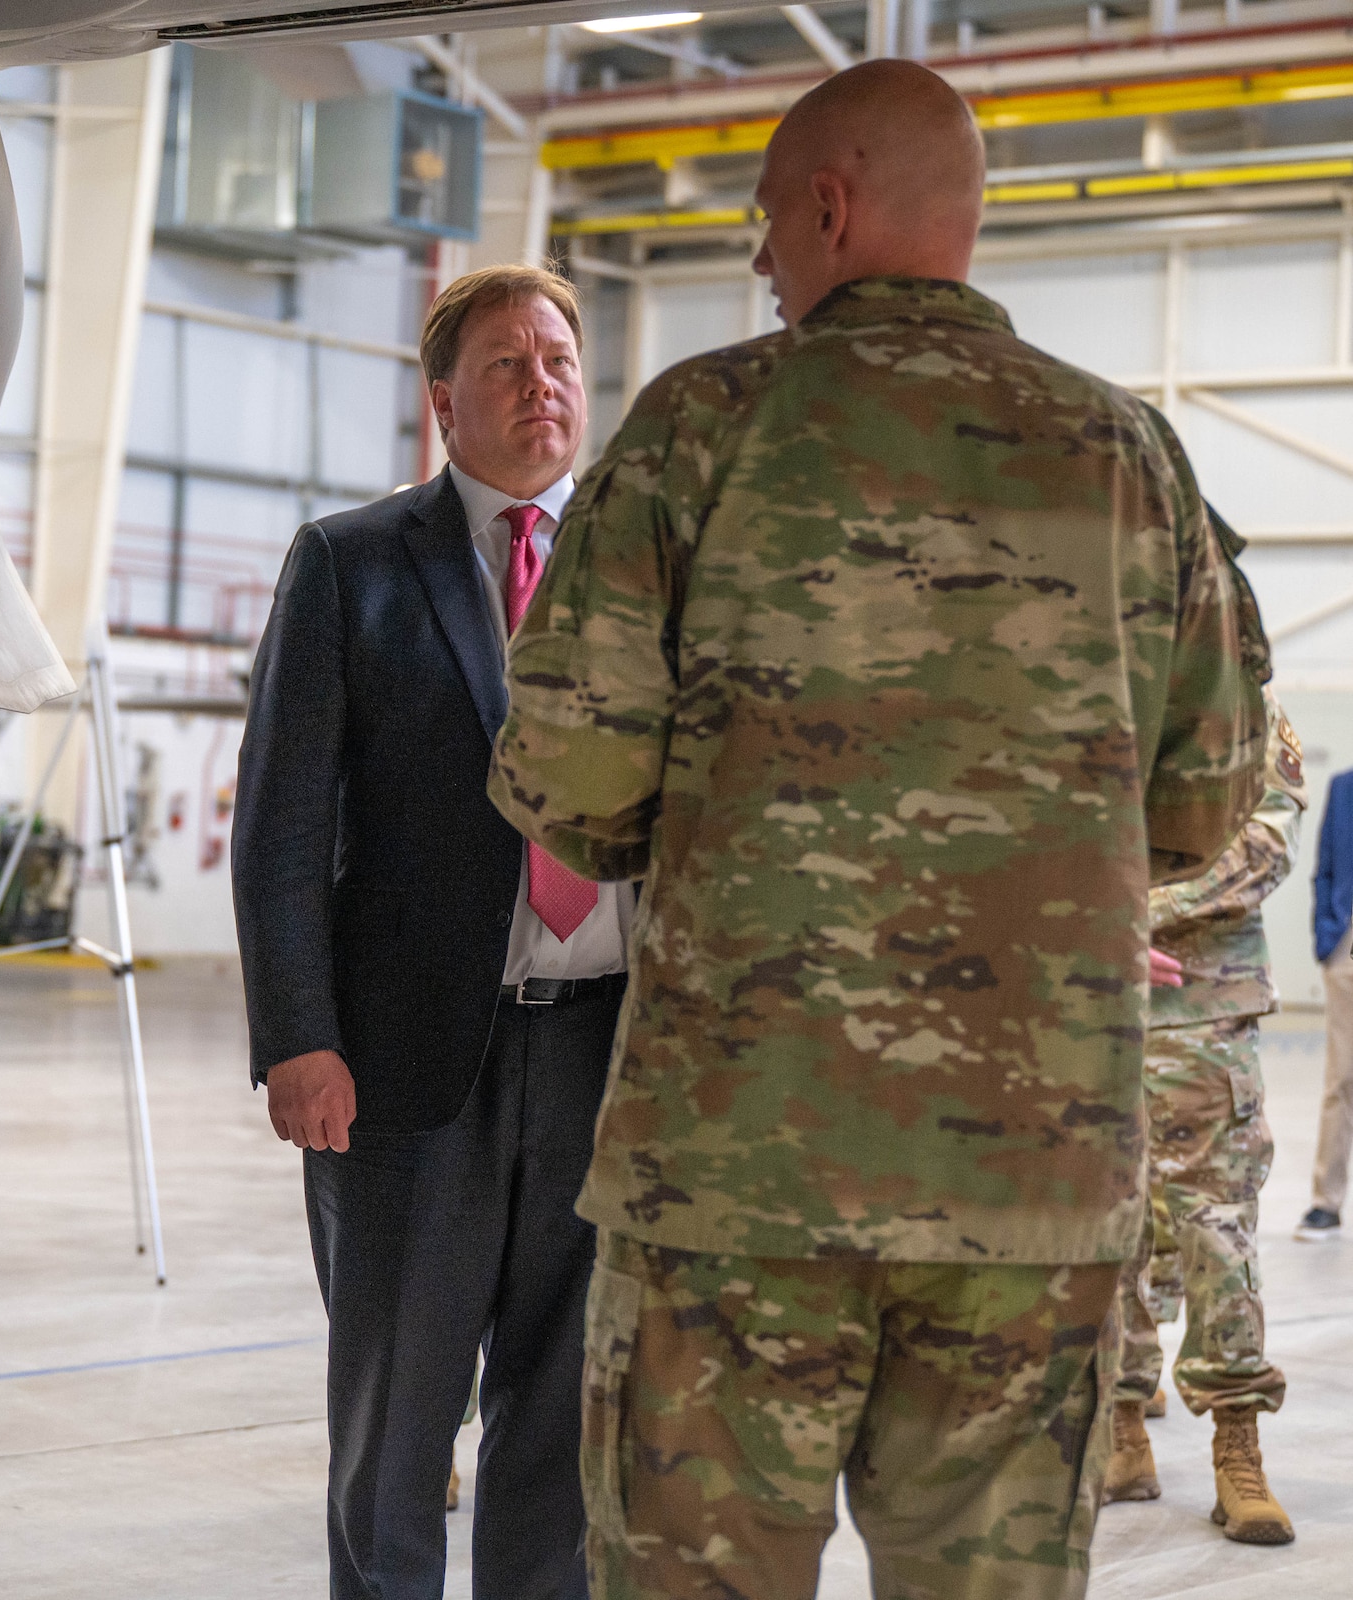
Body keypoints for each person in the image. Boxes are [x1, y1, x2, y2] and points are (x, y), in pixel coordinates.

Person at [487, 59, 1268, 1600]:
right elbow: (1206, 799)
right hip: (1030, 1200)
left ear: (831, 208)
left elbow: (566, 782)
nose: (763, 264)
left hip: (736, 1181)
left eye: (769, 226)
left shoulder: (698, 430)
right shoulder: (1129, 459)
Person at [231, 263, 629, 1600]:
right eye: (509, 365)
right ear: (444, 400)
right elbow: (283, 821)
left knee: (562, 1421)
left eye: (562, 361)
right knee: (396, 1426)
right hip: (406, 1069)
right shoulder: (351, 563)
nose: (543, 385)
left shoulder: (642, 568)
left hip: (605, 1052)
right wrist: (298, 1037)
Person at [1105, 688, 1304, 1544]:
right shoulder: (1087, 676)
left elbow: (1267, 838)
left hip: (1199, 1006)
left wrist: (1126, 917)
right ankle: (1116, 1420)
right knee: (1102, 1222)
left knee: (1215, 1225)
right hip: (1085, 1001)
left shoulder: (1245, 702)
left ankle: (1237, 1443)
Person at [1299, 762, 1353, 1240]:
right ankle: (1326, 1202)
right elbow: (1326, 868)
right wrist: (1326, 938)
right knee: (1343, 1076)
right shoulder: (1343, 786)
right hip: (1347, 945)